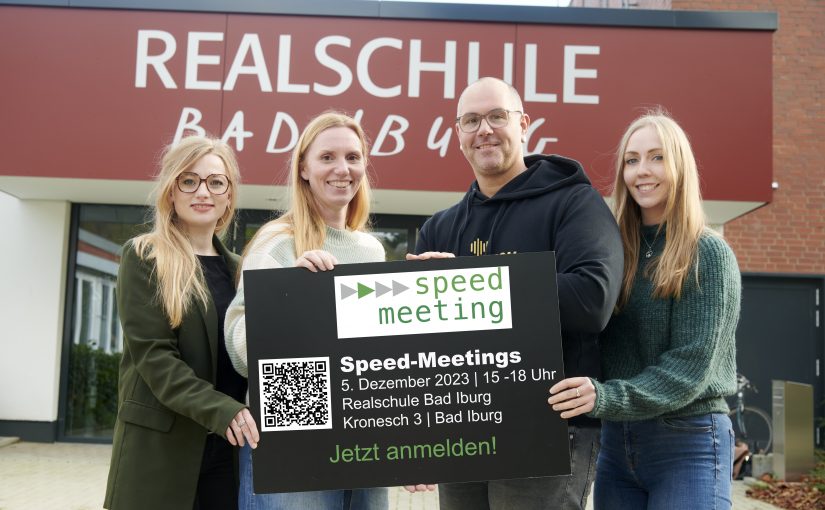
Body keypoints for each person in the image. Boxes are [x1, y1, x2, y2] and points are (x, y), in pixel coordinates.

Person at [405, 77, 624, 510]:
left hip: (547, 427)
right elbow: (421, 344)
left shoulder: (574, 203)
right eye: (471, 120)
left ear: (523, 123)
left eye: (496, 116)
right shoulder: (439, 227)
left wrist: (469, 284)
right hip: (462, 426)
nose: (484, 129)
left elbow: (592, 300)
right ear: (458, 135)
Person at [548, 111, 741, 509]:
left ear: (680, 167)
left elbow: (688, 368)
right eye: (632, 160)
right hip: (617, 443)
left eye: (656, 157)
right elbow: (555, 295)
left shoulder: (707, 253)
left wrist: (603, 397)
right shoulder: (614, 251)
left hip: (689, 440)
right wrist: (459, 269)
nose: (642, 171)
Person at [224, 111, 388, 510]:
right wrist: (289, 298)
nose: (342, 169)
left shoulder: (372, 251)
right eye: (327, 157)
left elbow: (384, 354)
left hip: (363, 436)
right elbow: (241, 349)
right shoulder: (277, 242)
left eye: (352, 157)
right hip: (295, 437)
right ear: (303, 168)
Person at [104, 136, 260, 510]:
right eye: (188, 180)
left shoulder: (243, 270)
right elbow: (156, 359)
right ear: (171, 191)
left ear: (228, 195)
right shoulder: (144, 256)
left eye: (215, 182)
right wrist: (225, 410)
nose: (202, 191)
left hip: (229, 453)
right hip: (161, 450)